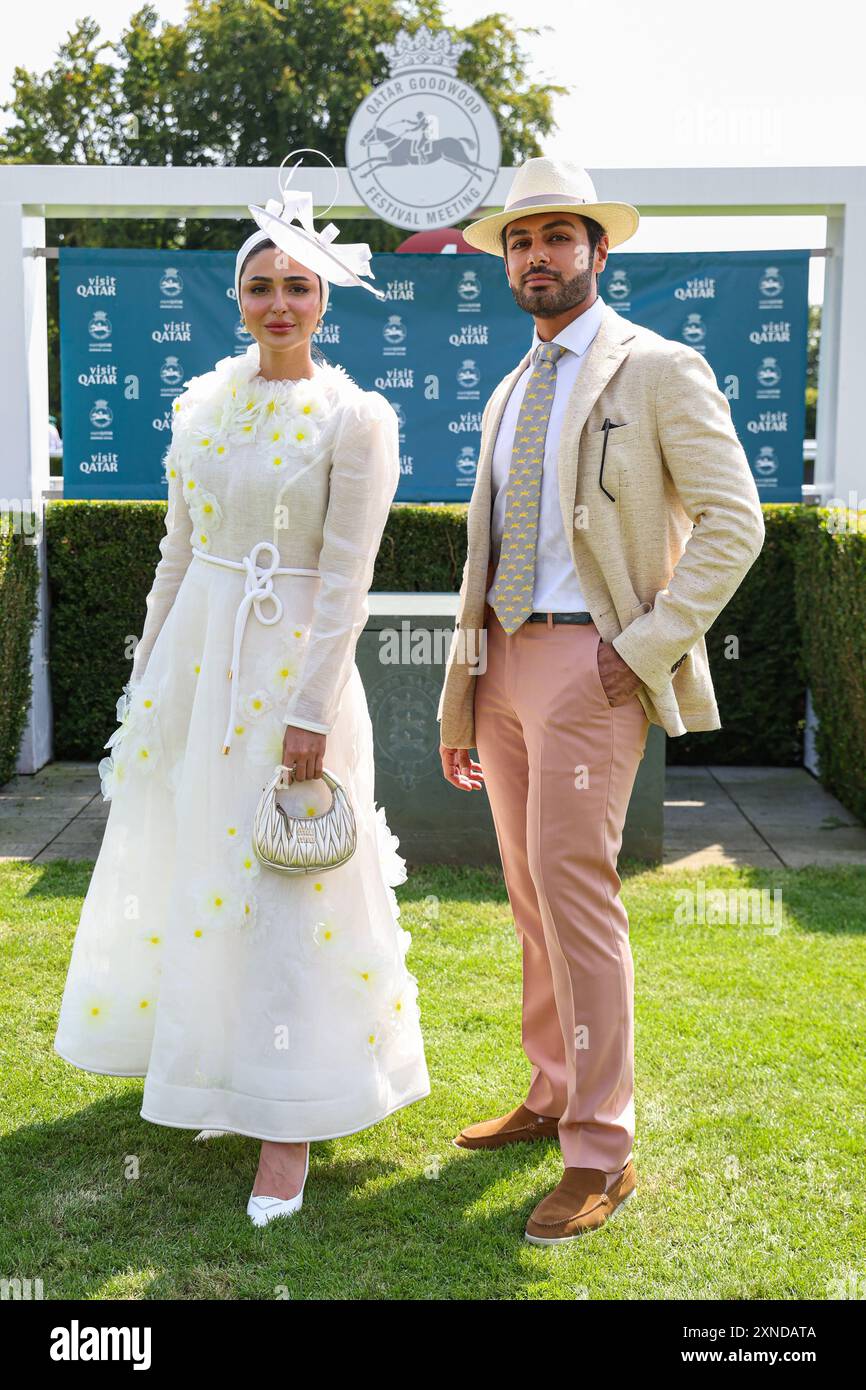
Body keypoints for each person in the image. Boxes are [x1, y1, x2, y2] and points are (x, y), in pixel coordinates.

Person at [54, 165, 430, 1225]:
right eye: (261, 284)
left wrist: (309, 707)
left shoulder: (356, 418)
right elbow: (178, 553)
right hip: (195, 669)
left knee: (288, 880)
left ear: (324, 300)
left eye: (298, 287)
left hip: (289, 673)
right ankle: (217, 1072)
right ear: (238, 297)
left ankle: (288, 1121)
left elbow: (348, 575)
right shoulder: (202, 401)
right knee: (200, 869)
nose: (278, 303)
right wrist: (146, 683)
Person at [437, 156, 765, 1243]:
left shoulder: (658, 366)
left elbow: (734, 519)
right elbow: (489, 547)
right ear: (505, 261)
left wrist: (648, 641)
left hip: (594, 665)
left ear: (595, 250)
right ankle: (547, 1092)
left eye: (556, 237)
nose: (535, 255)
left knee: (576, 900)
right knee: (529, 895)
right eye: (518, 241)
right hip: (500, 665)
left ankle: (601, 1149)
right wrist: (463, 689)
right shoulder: (507, 383)